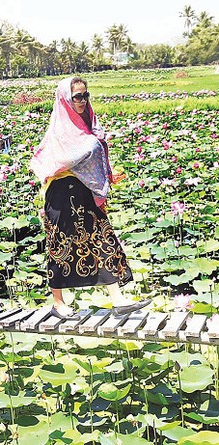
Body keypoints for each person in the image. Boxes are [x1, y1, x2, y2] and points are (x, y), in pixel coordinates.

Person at [31, 77, 149, 319]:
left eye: (85, 95)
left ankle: (117, 299)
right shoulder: (60, 130)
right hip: (61, 194)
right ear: (65, 99)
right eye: (77, 97)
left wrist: (103, 173)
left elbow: (94, 155)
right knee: (60, 245)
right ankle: (58, 302)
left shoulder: (88, 125)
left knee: (102, 238)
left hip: (84, 191)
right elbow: (56, 161)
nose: (82, 101)